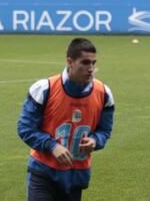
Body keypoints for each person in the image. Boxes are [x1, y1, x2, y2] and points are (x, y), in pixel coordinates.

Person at [17, 38, 115, 201]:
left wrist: (95, 141)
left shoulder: (104, 94)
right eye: (85, 63)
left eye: (93, 63)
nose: (91, 69)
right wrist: (52, 145)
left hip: (76, 175)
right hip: (43, 172)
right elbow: (25, 128)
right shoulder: (44, 89)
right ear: (70, 61)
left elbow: (105, 131)